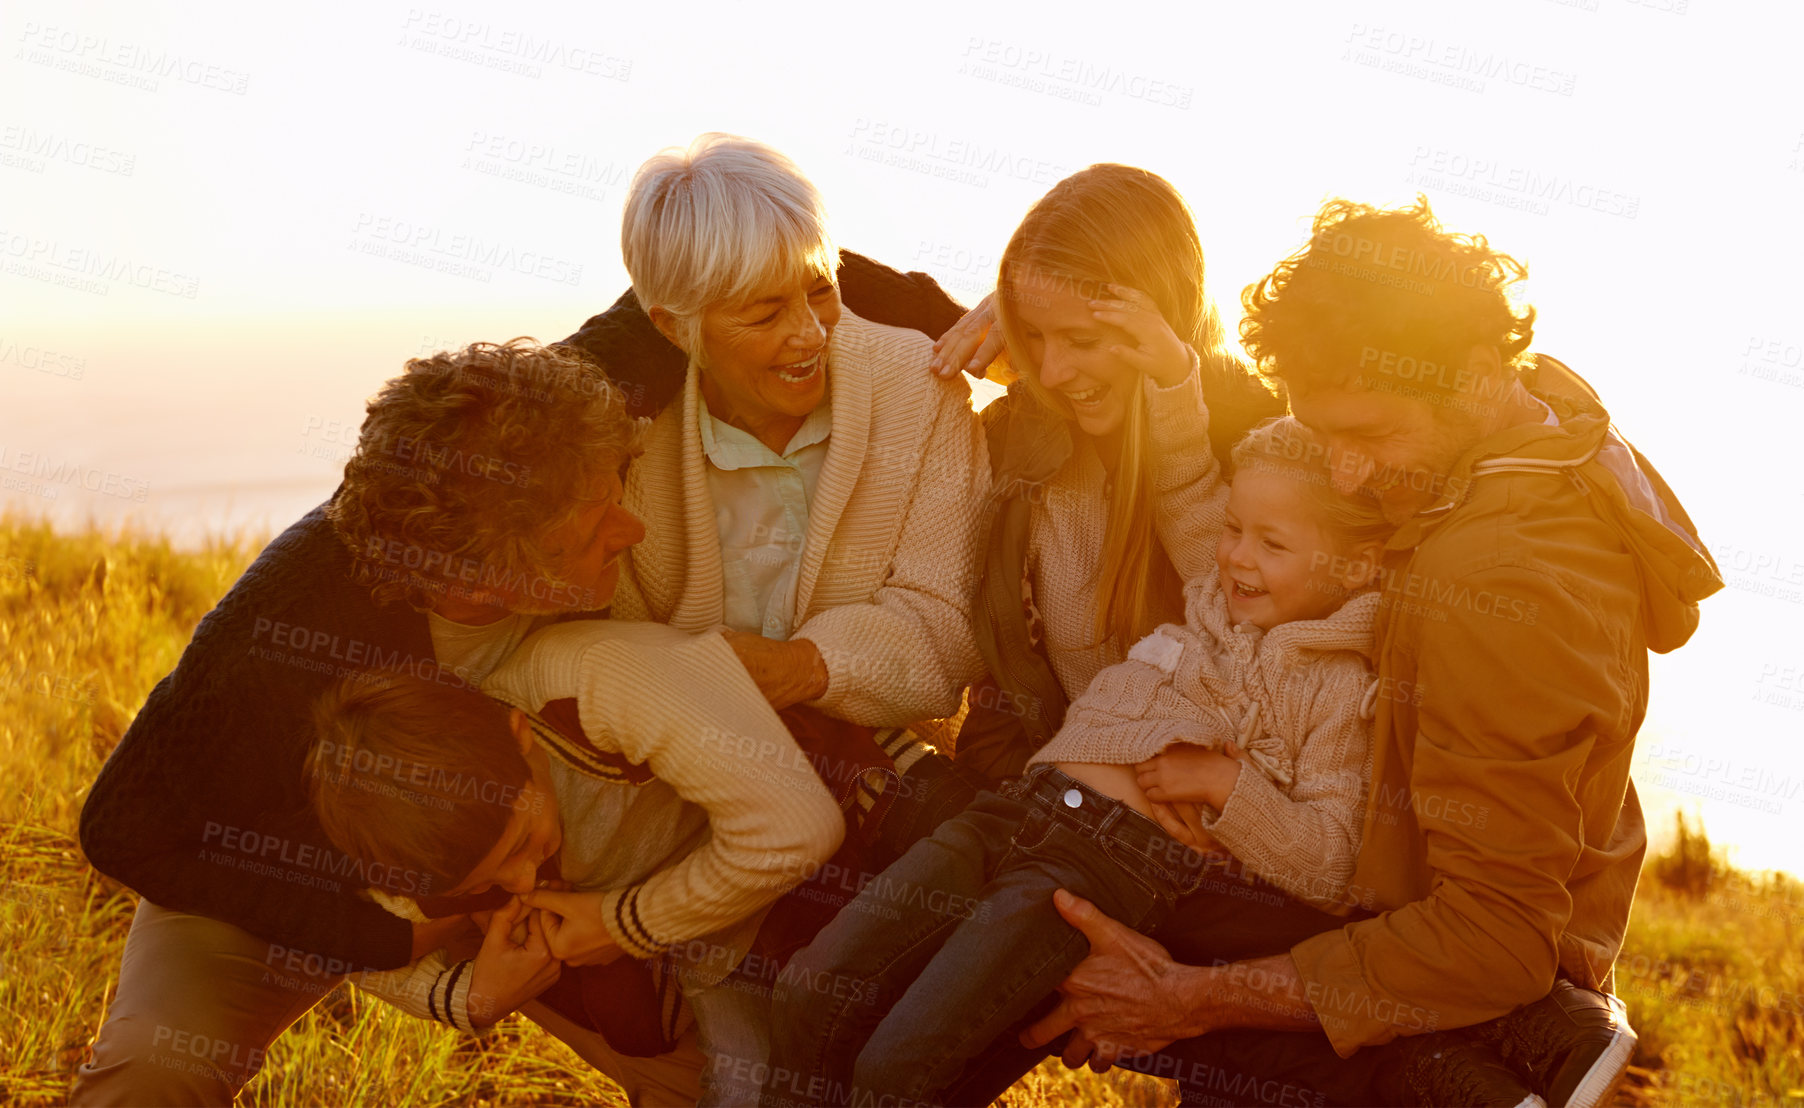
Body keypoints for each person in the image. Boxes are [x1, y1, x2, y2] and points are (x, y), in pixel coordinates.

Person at [1008, 196, 1723, 1108]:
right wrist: (1037, 334)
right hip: (1370, 963)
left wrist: (1192, 1000)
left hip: (1409, 1006)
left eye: (1370, 438)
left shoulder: (1500, 580)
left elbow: (1490, 938)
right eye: (1325, 435)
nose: (1343, 473)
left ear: (1470, 378)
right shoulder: (1541, 427)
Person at [71, 340, 713, 1106]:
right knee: (154, 1068)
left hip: (522, 848)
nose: (631, 530)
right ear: (475, 578)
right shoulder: (268, 644)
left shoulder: (543, 428)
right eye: (589, 533)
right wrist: (380, 936)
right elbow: (117, 828)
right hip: (305, 878)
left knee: (708, 1081)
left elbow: (687, 299)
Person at [766, 416, 1395, 1107]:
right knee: (809, 991)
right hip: (1007, 813)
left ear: (1356, 567)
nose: (1238, 557)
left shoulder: (1338, 687)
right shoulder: (1212, 598)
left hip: (1097, 870)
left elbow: (1334, 863)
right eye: (1233, 527)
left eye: (1272, 543)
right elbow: (1183, 476)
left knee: (899, 1067)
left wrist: (1230, 786)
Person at [304, 614, 845, 1108]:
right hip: (718, 957)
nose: (521, 879)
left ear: (522, 741)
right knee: (744, 1091)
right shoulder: (416, 853)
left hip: (821, 867)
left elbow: (799, 829)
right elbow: (343, 948)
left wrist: (624, 923)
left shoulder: (584, 686)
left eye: (520, 843)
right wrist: (470, 998)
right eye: (486, 881)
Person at [604, 133, 990, 732]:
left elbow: (946, 621)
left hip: (894, 770)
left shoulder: (919, 388)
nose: (811, 334)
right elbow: (609, 647)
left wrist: (804, 667)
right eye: (765, 314)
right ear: (675, 329)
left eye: (821, 290)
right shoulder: (626, 444)